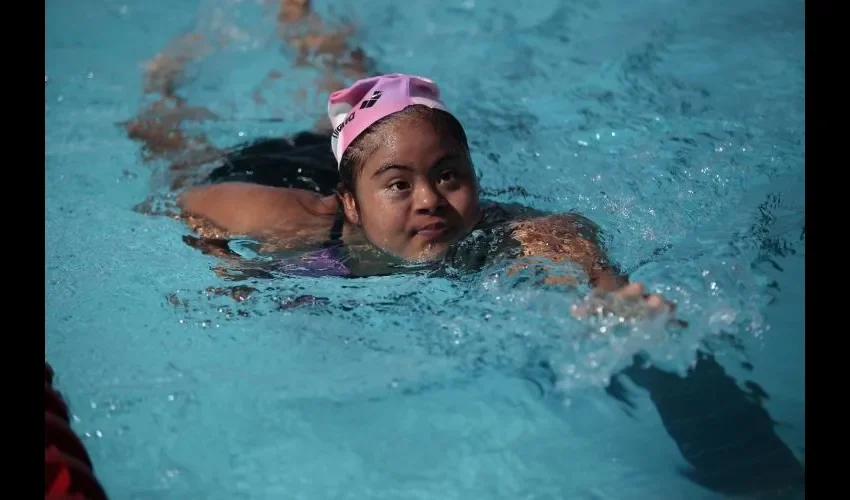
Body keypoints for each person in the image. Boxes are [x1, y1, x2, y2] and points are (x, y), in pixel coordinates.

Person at [177, 73, 675, 319]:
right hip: (282, 166)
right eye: (400, 185)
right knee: (173, 141)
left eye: (449, 176)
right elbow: (191, 202)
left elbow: (571, 239)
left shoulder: (502, 227)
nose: (429, 200)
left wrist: (607, 294)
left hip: (365, 158)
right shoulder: (305, 219)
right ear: (351, 204)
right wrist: (230, 267)